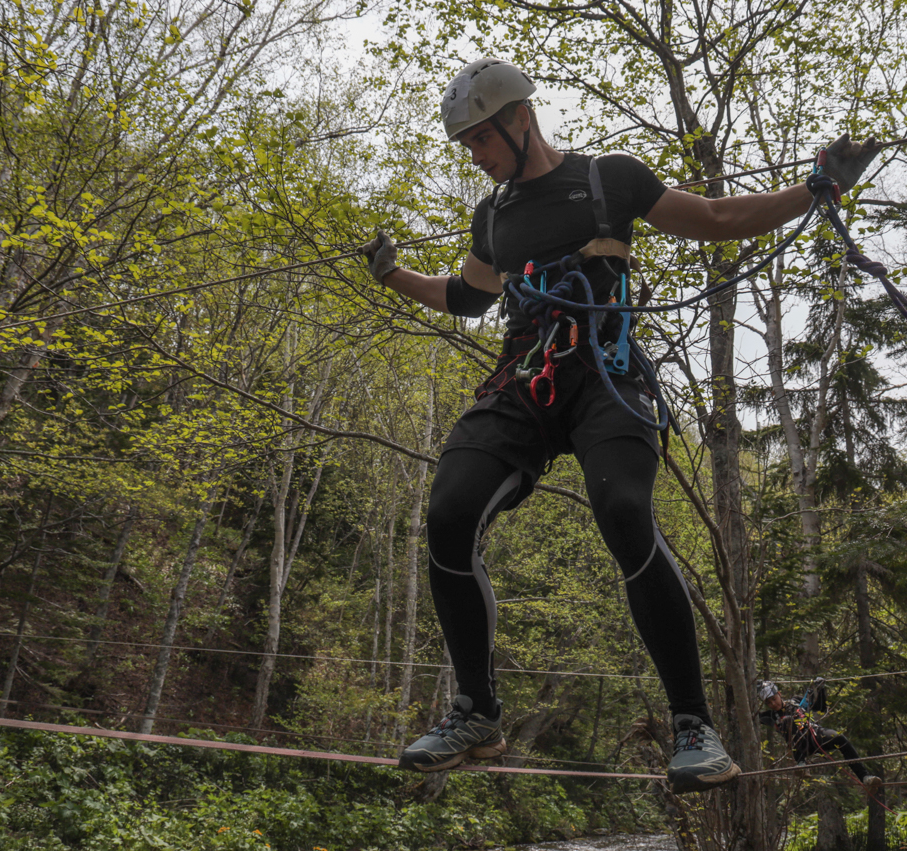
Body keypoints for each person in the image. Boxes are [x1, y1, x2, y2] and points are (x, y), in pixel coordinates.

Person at [360, 57, 880, 794]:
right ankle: (476, 712)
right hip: (526, 377)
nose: (474, 155)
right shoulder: (493, 216)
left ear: (519, 117)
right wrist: (392, 275)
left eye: (480, 138)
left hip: (606, 371)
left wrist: (817, 186)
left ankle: (694, 726)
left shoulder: (611, 179)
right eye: (466, 144)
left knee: (625, 509)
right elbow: (466, 296)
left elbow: (716, 219)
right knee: (447, 513)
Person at [757, 680, 883, 792]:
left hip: (815, 735)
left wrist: (821, 689)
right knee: (787, 721)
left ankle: (865, 777)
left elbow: (820, 707)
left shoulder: (796, 701)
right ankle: (801, 765)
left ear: (779, 694)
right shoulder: (770, 716)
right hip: (800, 747)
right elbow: (752, 716)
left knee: (840, 738)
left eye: (774, 699)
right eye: (769, 703)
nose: (773, 704)